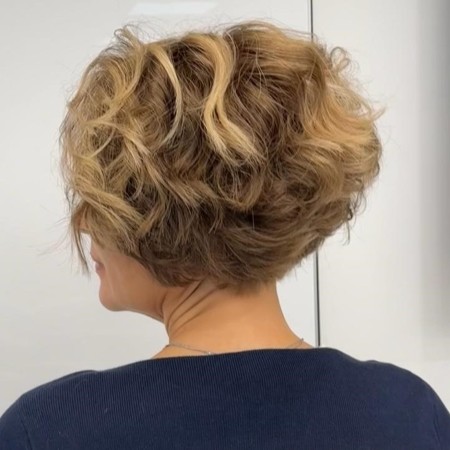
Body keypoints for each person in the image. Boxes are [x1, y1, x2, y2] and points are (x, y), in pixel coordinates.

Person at [0, 20, 449, 449]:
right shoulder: (408, 413)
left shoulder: (48, 429)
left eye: (97, 201)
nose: (83, 223)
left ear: (153, 219)